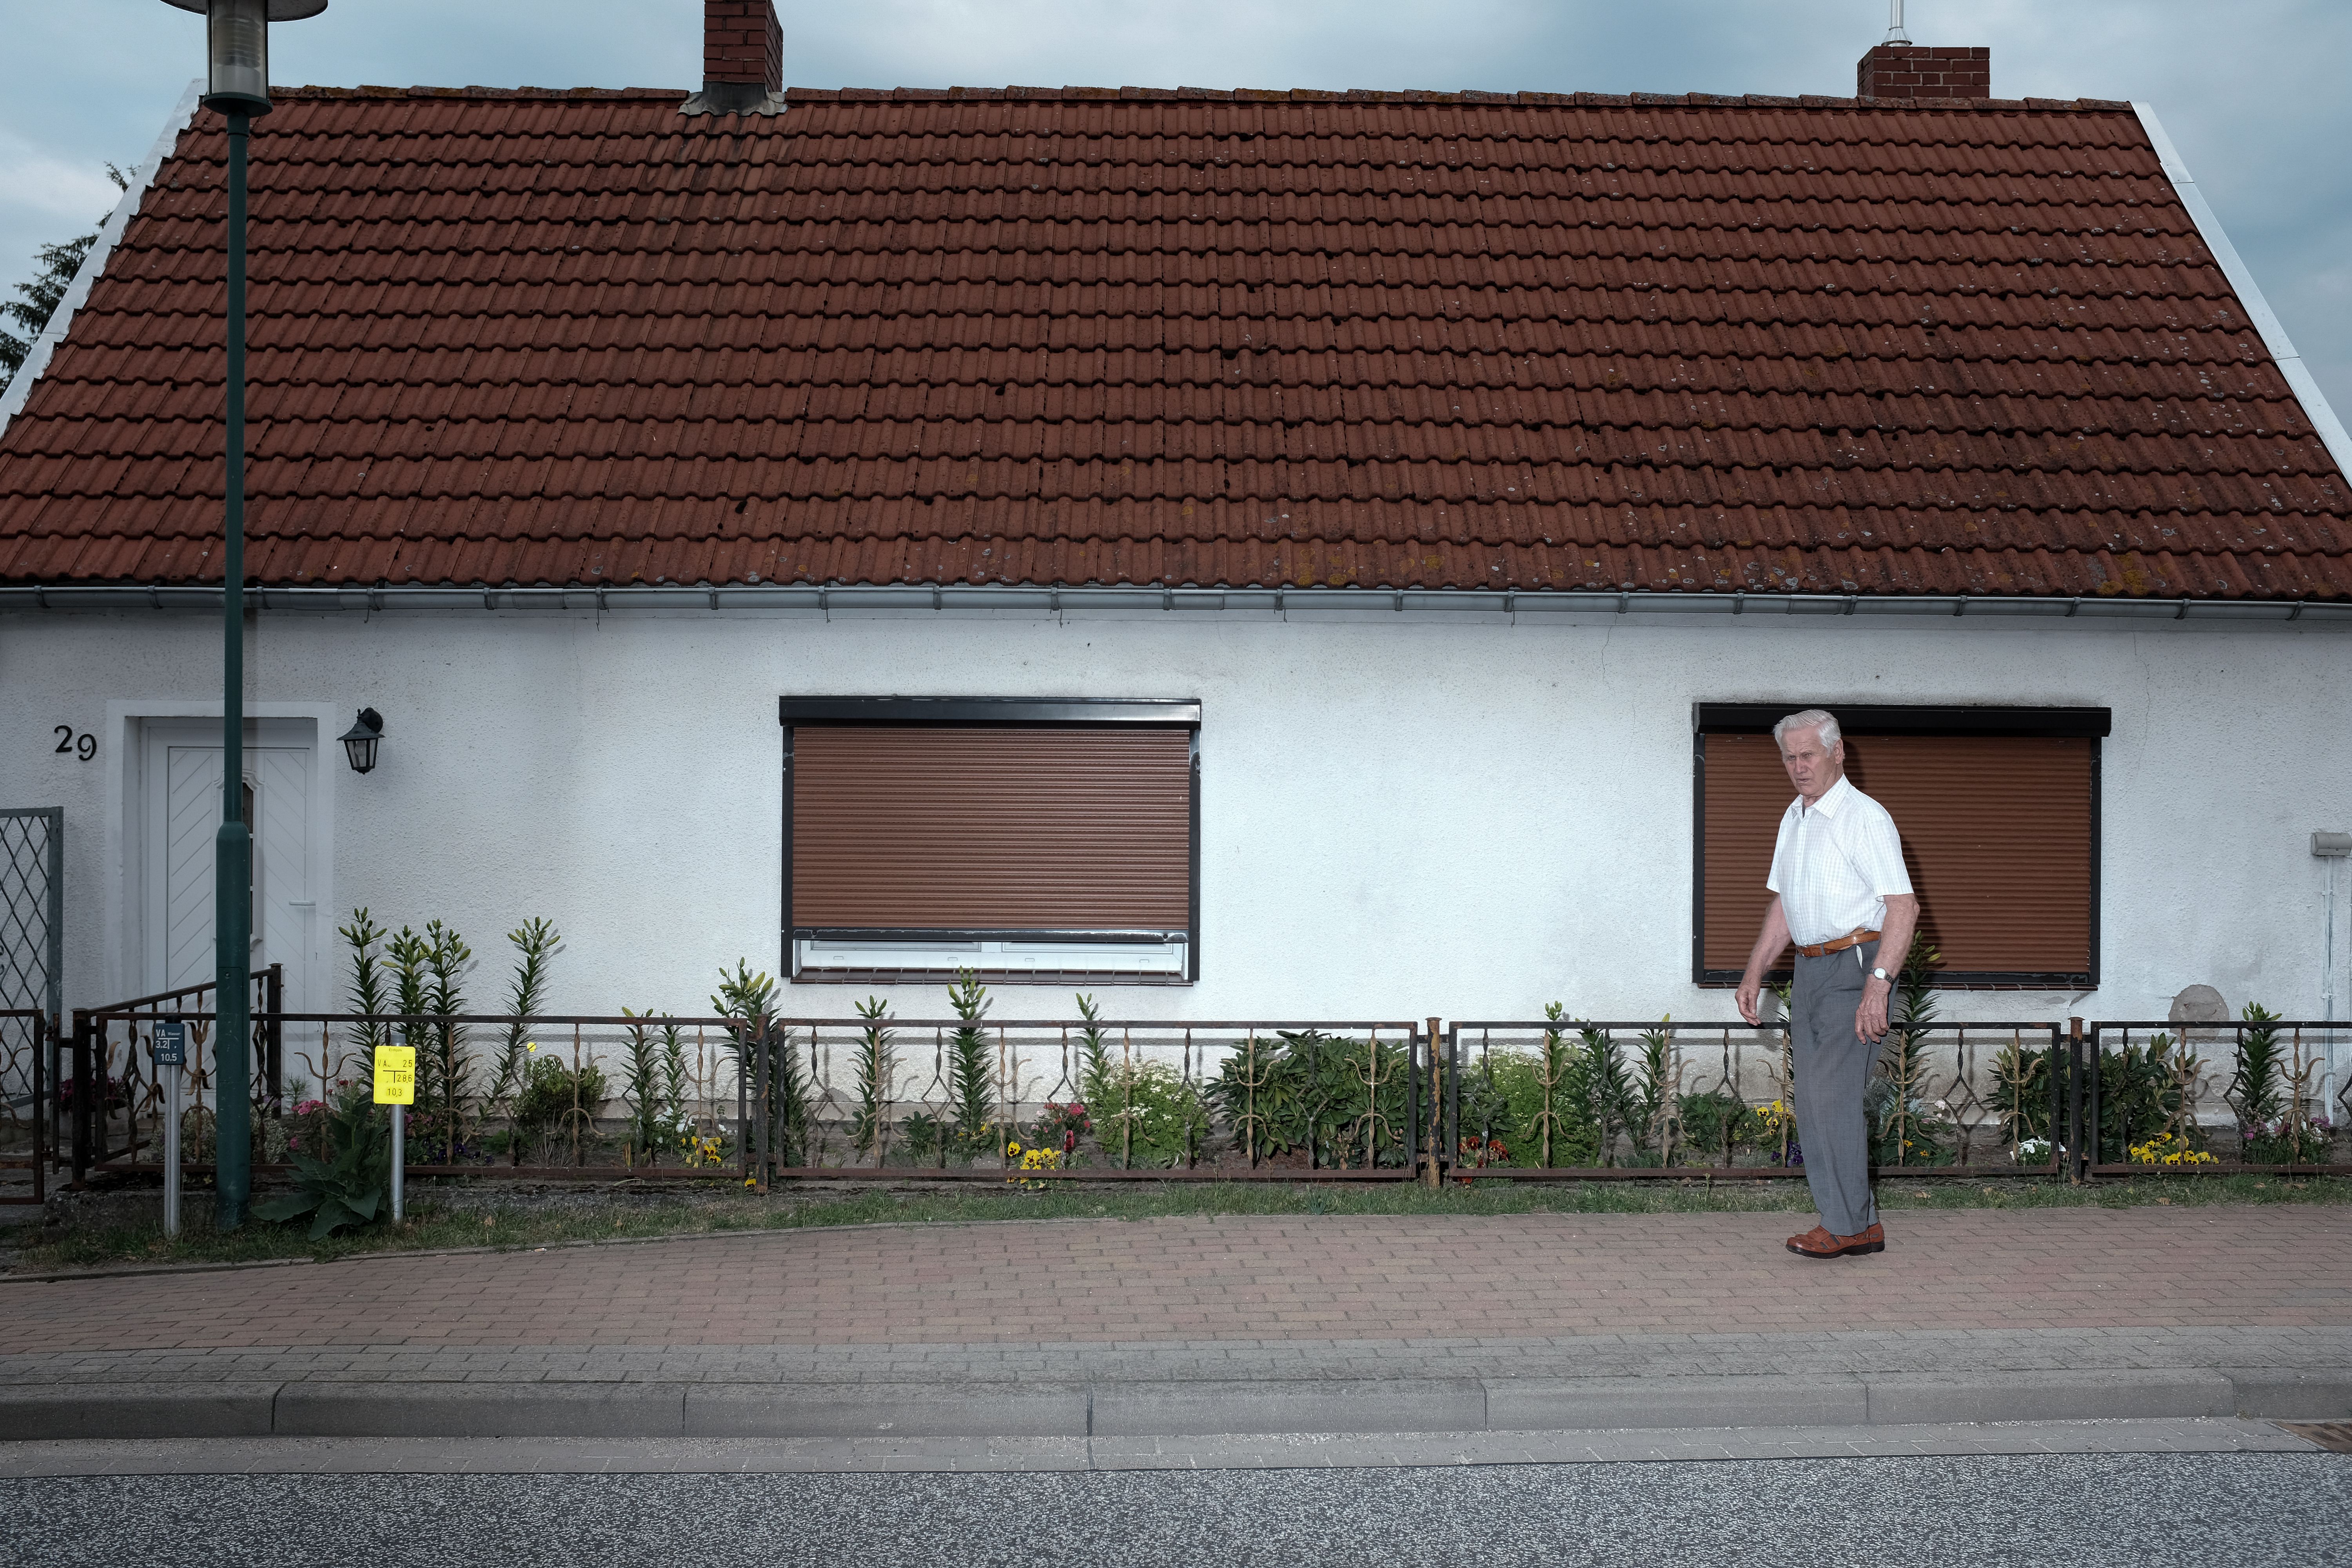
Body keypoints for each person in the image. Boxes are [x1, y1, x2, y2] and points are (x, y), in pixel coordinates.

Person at [1735, 709, 1919, 1260]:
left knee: (1829, 1097)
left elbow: (1904, 908)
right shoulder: (1793, 818)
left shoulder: (1865, 818)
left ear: (1838, 753)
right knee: (1814, 1101)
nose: (1798, 766)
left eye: (1808, 755)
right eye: (1789, 757)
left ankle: (1845, 1226)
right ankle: (1858, 1224)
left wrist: (1878, 986)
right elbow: (1785, 906)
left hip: (1857, 966)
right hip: (1811, 969)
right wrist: (1755, 971)